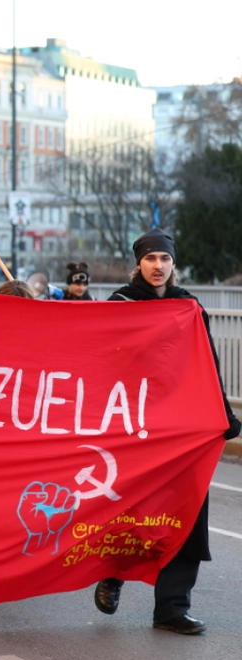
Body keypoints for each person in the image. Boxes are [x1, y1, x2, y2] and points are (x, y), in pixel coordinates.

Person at [93, 228, 241, 635]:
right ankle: (113, 572)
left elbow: (207, 363)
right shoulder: (120, 304)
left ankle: (172, 607)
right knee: (131, 509)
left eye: (165, 259)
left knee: (186, 510)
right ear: (138, 263)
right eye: (150, 258)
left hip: (182, 427)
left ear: (174, 264)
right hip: (134, 423)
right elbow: (100, 360)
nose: (157, 266)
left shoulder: (188, 306)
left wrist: (223, 413)